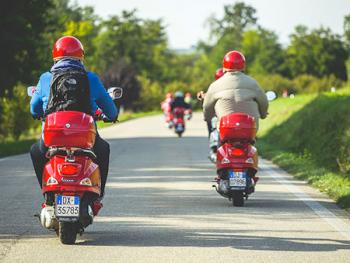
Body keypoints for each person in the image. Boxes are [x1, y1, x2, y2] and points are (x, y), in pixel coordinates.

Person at [30, 36, 118, 200]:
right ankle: (98, 194)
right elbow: (112, 112)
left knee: (36, 151)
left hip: (53, 137)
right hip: (84, 136)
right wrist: (108, 116)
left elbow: (34, 109)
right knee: (103, 149)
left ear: (55, 57)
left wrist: (39, 114)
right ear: (81, 56)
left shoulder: (45, 78)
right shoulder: (90, 78)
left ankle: (47, 192)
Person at [203, 51, 268, 170]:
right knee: (250, 144)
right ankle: (250, 166)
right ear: (243, 65)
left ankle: (221, 170)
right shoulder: (253, 83)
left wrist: (207, 117)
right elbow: (264, 102)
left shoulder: (216, 85)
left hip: (226, 130)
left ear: (224, 66)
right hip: (248, 129)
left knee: (221, 144)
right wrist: (263, 114)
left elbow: (207, 107)